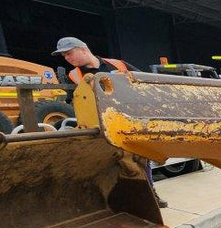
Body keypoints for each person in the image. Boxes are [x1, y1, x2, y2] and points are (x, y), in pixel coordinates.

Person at [53, 37, 168, 208]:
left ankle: (150, 194)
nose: (67, 58)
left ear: (83, 49)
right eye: (64, 56)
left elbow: (145, 83)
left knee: (141, 158)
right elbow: (74, 102)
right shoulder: (73, 76)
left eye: (69, 53)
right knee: (113, 161)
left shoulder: (118, 65)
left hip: (130, 119)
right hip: (101, 124)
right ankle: (119, 198)